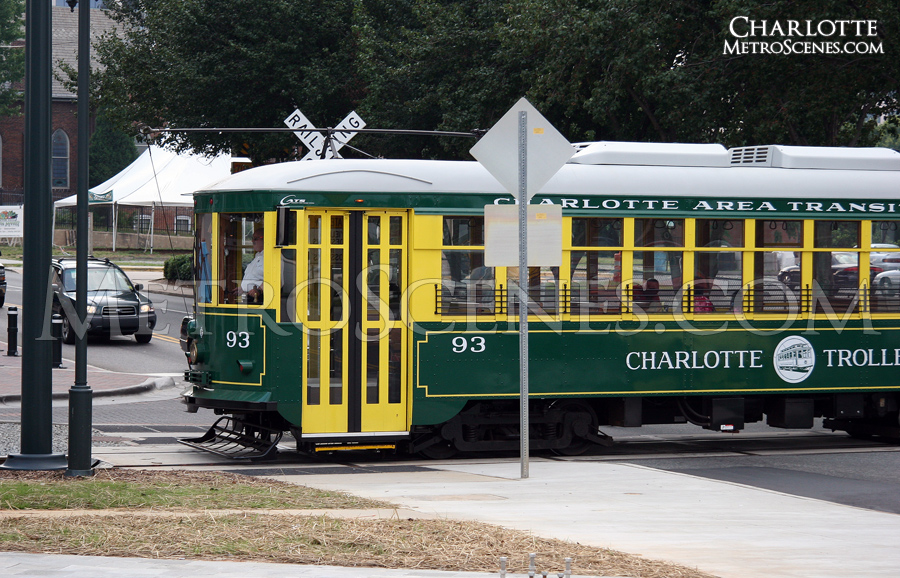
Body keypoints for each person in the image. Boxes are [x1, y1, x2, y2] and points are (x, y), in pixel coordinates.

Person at [241, 228, 264, 303]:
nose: (252, 241)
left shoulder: (272, 257)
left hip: (260, 299)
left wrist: (259, 291)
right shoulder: (258, 256)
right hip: (248, 297)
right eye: (252, 238)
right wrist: (242, 288)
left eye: (255, 239)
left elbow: (276, 279)